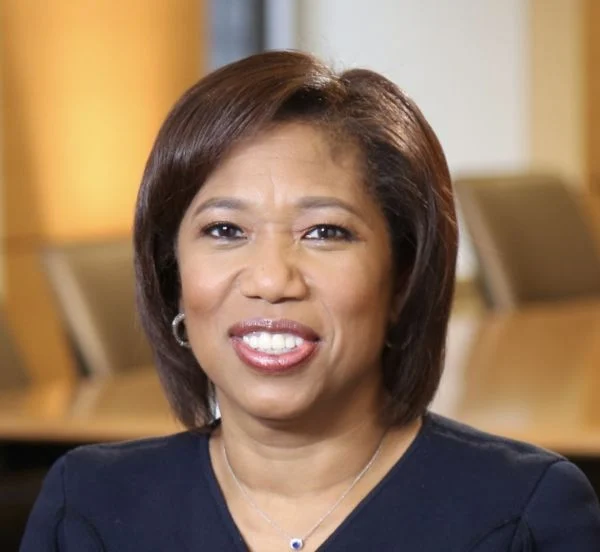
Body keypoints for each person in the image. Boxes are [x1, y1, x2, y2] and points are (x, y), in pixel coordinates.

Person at [21, 51, 600, 552]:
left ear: (402, 277)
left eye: (324, 231)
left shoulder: (525, 514)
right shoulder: (89, 509)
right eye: (224, 230)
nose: (272, 280)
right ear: (174, 277)